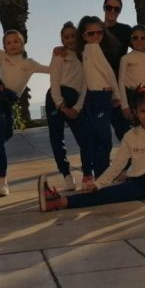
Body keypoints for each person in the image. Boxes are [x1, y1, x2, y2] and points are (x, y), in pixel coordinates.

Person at [0, 0, 50, 196]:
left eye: (16, 41)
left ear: (22, 43)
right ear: (4, 46)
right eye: (8, 42)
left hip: (7, 104)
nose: (12, 45)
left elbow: (51, 70)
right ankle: (2, 181)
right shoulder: (3, 57)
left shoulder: (29, 64)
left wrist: (64, 58)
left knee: (6, 135)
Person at [46, 21, 94, 191]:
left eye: (73, 36)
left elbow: (85, 85)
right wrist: (60, 105)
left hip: (75, 100)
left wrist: (77, 107)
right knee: (57, 139)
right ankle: (66, 175)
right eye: (66, 37)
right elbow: (54, 80)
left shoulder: (84, 56)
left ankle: (87, 175)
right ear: (62, 40)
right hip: (55, 99)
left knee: (85, 138)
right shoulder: (59, 55)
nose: (70, 40)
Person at [77, 15, 123, 177]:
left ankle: (100, 175)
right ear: (83, 36)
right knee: (104, 139)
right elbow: (108, 72)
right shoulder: (93, 49)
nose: (96, 36)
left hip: (95, 97)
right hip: (100, 97)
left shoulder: (85, 51)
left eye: (99, 32)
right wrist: (117, 94)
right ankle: (103, 175)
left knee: (98, 138)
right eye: (91, 33)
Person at [102, 0, 136, 141]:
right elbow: (79, 48)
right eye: (109, 7)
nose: (112, 11)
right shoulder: (95, 31)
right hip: (99, 87)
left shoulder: (125, 30)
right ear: (104, 7)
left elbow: (140, 44)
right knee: (101, 134)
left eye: (116, 9)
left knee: (123, 128)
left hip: (120, 85)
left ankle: (132, 153)